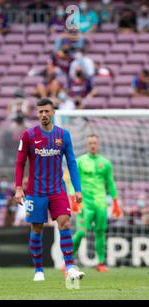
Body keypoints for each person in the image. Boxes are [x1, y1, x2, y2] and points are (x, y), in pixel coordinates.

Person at [14, 98, 85, 282]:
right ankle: (38, 269)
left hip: (57, 189)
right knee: (36, 229)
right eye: (40, 112)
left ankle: (69, 267)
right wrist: (18, 188)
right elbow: (20, 162)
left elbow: (71, 163)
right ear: (37, 113)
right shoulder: (28, 135)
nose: (44, 115)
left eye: (47, 111)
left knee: (65, 223)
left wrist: (77, 189)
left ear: (53, 112)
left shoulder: (63, 135)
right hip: (35, 191)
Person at [72, 134, 122, 273]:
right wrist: (73, 199)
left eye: (95, 143)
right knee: (81, 233)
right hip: (84, 203)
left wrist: (115, 202)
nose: (93, 145)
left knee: (100, 232)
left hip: (100, 203)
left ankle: (100, 263)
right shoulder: (80, 161)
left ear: (98, 144)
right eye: (90, 143)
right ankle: (69, 260)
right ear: (87, 145)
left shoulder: (105, 163)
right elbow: (73, 180)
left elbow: (110, 183)